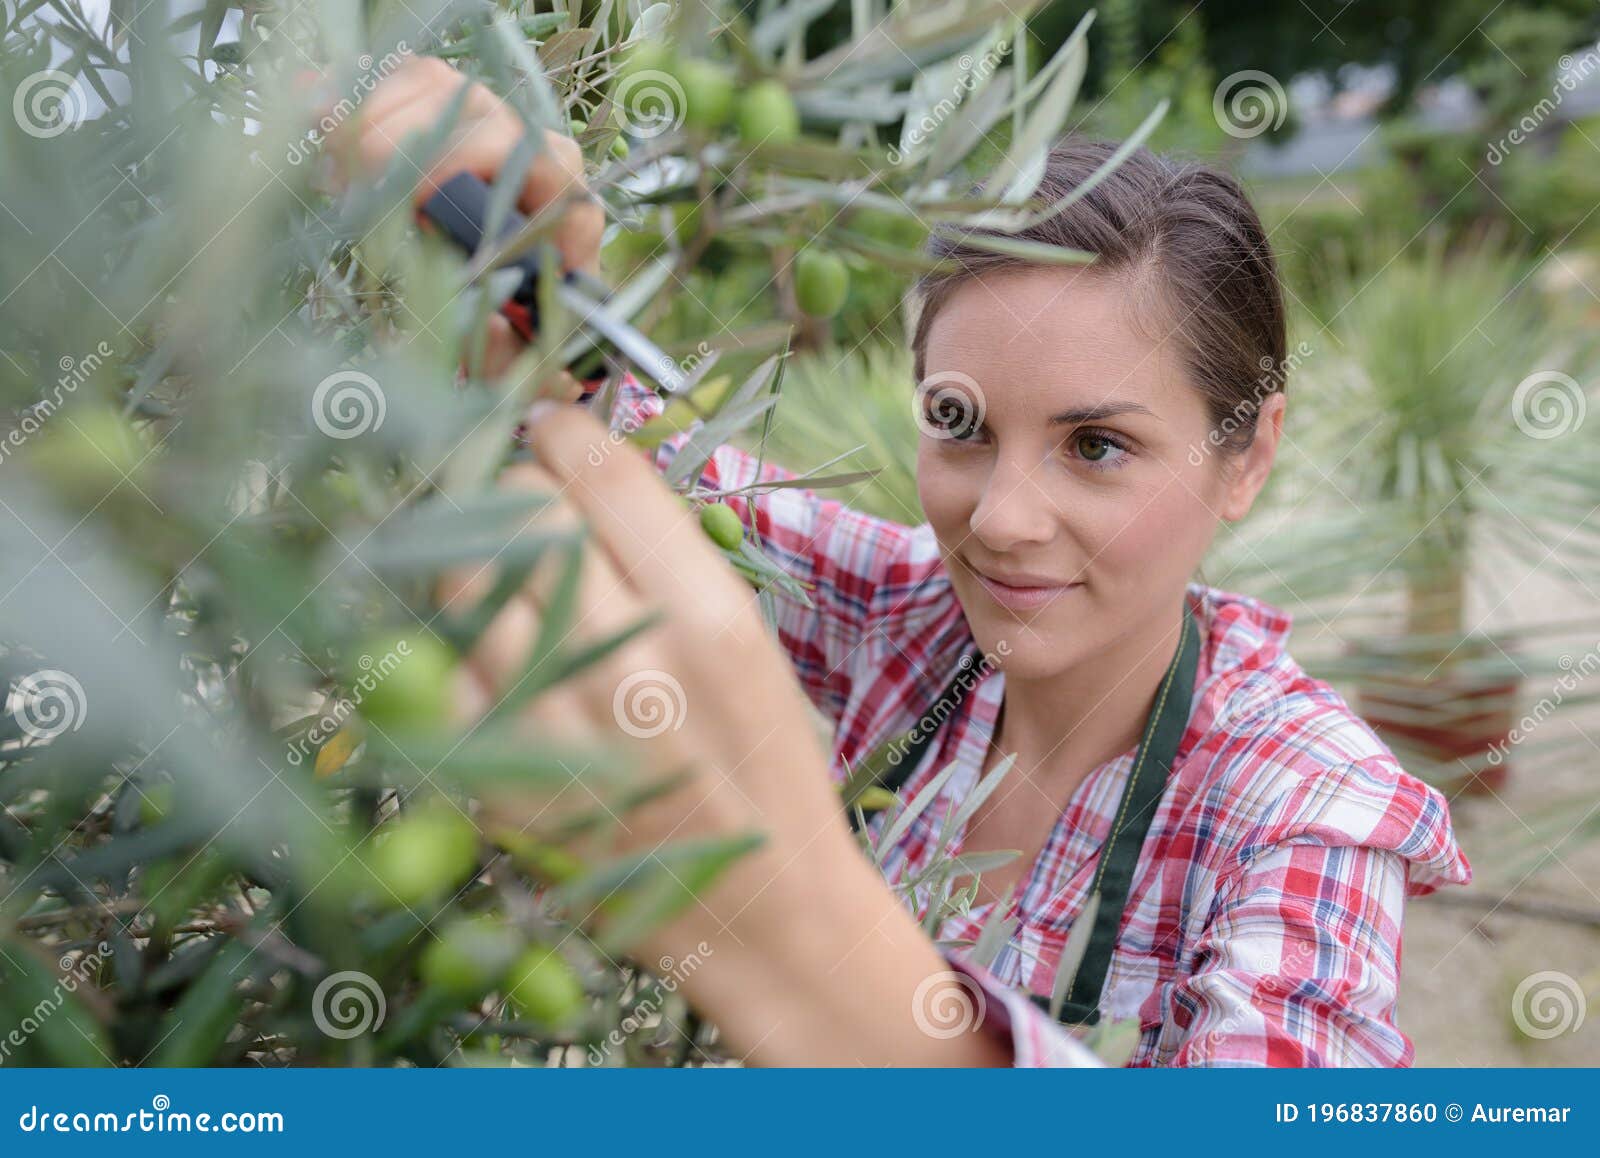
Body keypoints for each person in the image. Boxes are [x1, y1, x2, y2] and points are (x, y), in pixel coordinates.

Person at [332, 55, 1471, 1068]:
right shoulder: (906, 616)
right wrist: (497, 276)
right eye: (961, 424)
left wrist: (781, 917)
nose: (1004, 522)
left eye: (1097, 445)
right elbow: (633, 449)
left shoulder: (1305, 812)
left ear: (1244, 456)